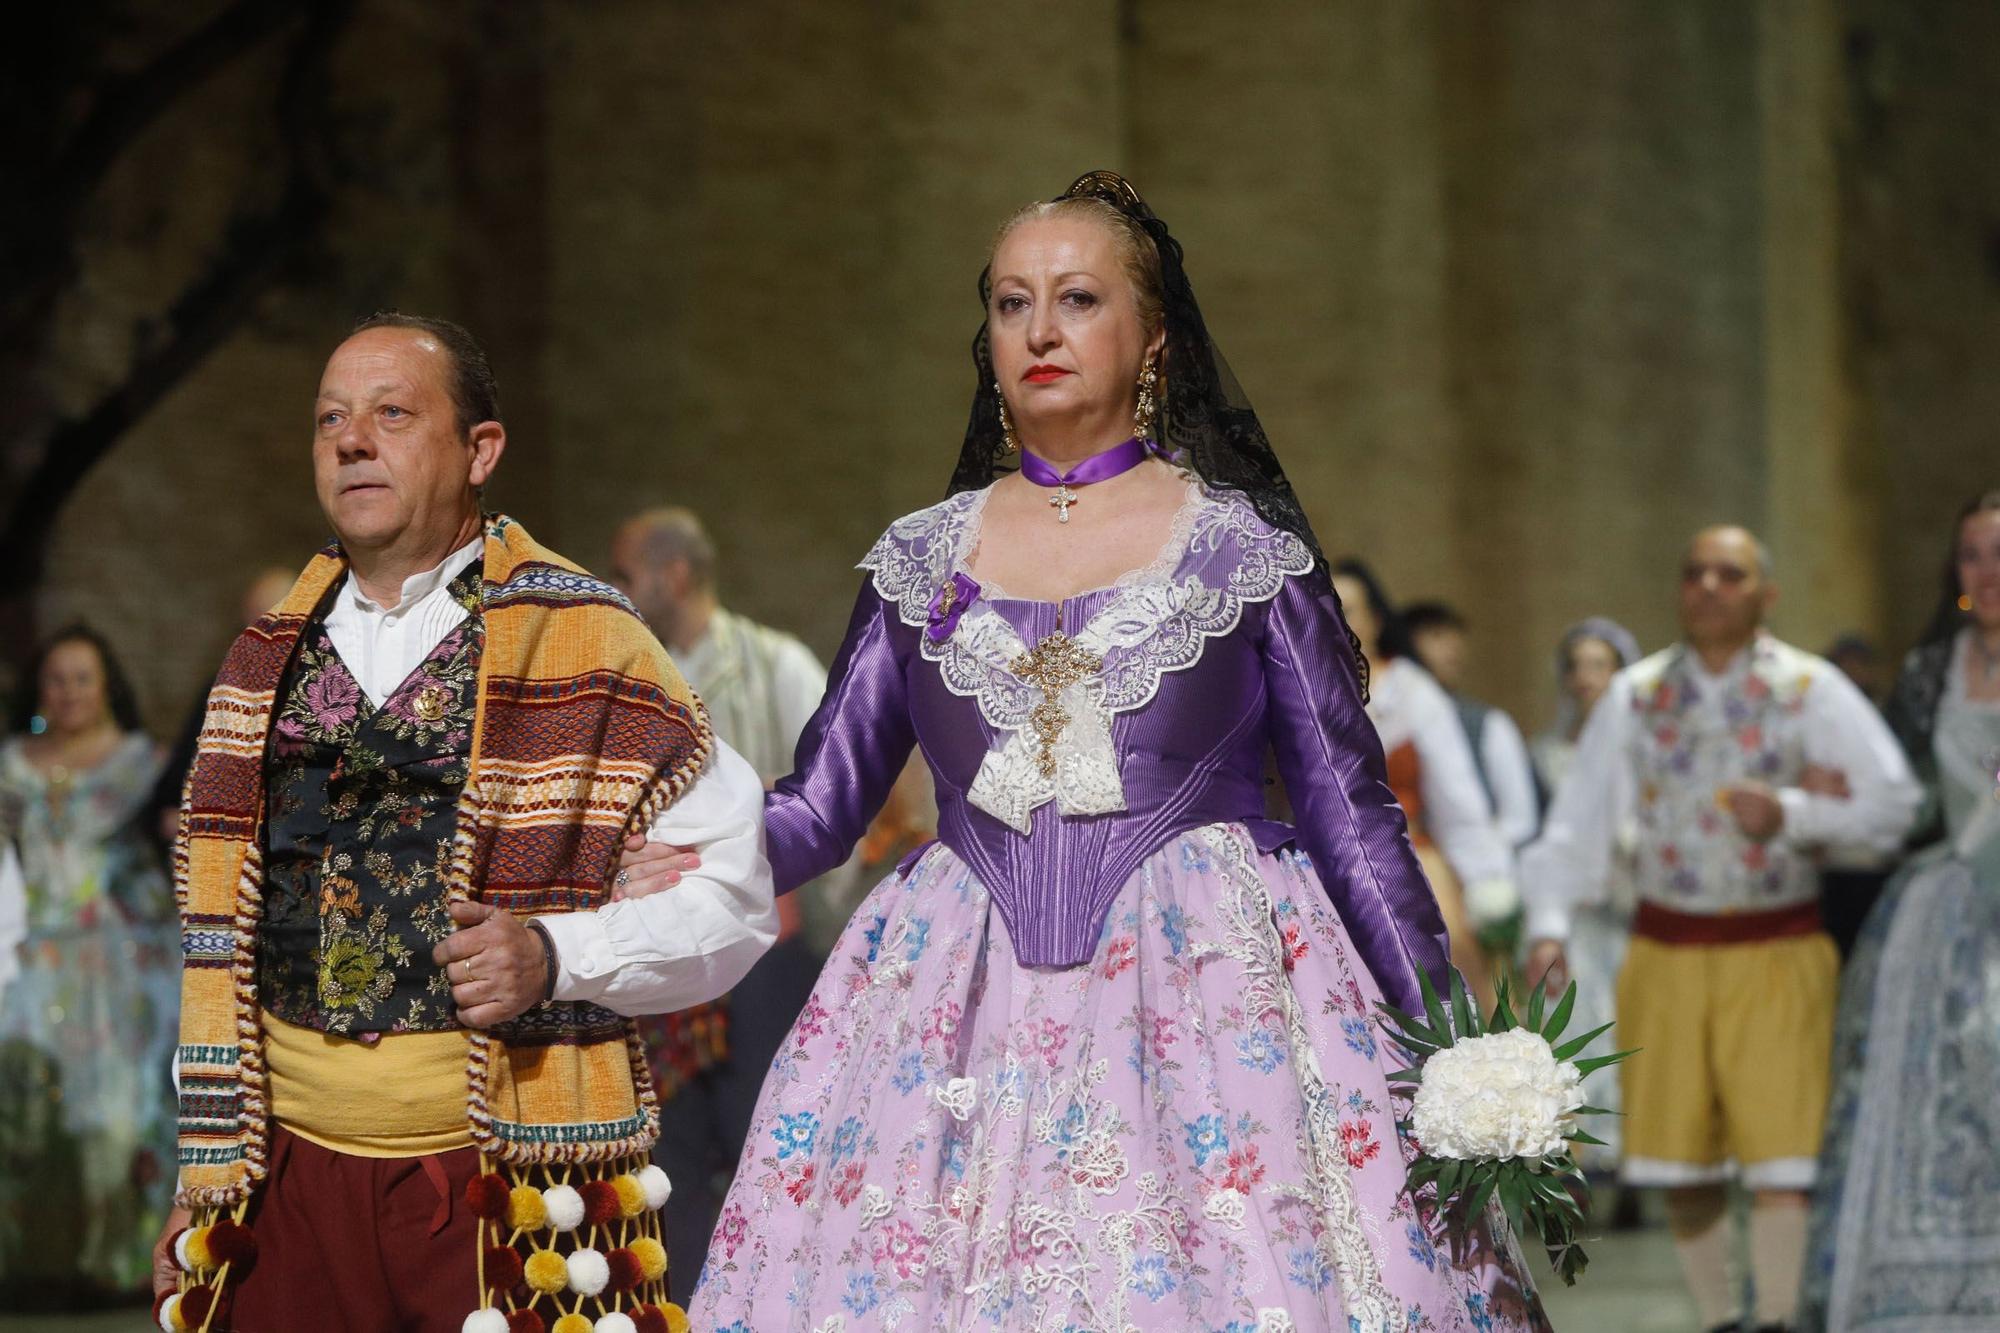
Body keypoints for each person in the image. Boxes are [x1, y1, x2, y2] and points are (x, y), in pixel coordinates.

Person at [623, 171, 1546, 1331]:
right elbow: (821, 804)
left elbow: (1349, 814)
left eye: (1076, 300)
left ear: (1150, 339)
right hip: (950, 996)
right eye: (1011, 304)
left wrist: (1448, 1047)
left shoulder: (1241, 552)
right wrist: (664, 855)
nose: (1040, 331)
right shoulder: (920, 562)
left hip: (1209, 996)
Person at [148, 312, 776, 1333]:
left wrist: (554, 953)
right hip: (287, 1176)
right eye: (330, 419)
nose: (352, 440)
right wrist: (198, 1165)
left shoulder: (590, 645)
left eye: (392, 413)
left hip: (504, 1176)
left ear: (480, 449)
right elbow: (216, 955)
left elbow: (732, 897)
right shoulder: (260, 662)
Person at [1524, 526, 1922, 1333]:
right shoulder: (1637, 694)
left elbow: (1895, 802)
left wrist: (1796, 812)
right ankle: (1721, 1318)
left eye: (1730, 574)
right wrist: (1548, 924)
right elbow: (1578, 822)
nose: (1709, 586)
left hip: (1778, 945)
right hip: (1668, 949)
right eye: (1695, 572)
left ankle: (1776, 1317)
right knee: (1680, 1157)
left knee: (1784, 1153)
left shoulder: (1808, 687)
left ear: (1765, 593)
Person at [608, 505, 852, 1307]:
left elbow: (840, 793)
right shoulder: (629, 681)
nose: (616, 591)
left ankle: (775, 1304)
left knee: (765, 1138)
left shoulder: (772, 662)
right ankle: (691, 1309)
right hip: (666, 956)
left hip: (761, 957)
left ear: (673, 575)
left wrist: (811, 913)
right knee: (672, 1148)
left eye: (625, 573)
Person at [1799, 491, 2000, 1331]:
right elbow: (1913, 801)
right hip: (1948, 908)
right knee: (1927, 1090)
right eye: (1973, 556)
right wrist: (1844, 795)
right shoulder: (1931, 670)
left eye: (1999, 554)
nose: (1988, 574)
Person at [0, 625, 175, 1304]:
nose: (67, 692)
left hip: (121, 962)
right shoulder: (10, 763)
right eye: (55, 678)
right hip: (28, 956)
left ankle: (123, 1264)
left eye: (82, 678)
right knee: (24, 1108)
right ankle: (28, 1265)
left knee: (120, 1109)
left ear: (107, 686)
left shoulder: (145, 764)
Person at [1332, 562, 1519, 1008]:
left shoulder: (1413, 692)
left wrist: (1487, 884)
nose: (1338, 621)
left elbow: (1459, 802)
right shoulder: (1300, 690)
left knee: (1442, 991)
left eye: (1351, 610)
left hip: (1410, 862)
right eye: (1326, 609)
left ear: (1376, 620)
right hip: (1327, 867)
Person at [1518, 618, 1642, 1181]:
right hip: (1577, 913)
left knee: (1633, 1024)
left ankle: (1639, 1151)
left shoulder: (1644, 747)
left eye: (1601, 665)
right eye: (1579, 666)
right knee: (1578, 1025)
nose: (1588, 678)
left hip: (1633, 910)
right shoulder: (1547, 754)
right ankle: (1583, 1153)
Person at [150, 567, 299, 847]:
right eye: (255, 622)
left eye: (276, 620)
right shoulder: (224, 688)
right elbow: (172, 793)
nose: (264, 635)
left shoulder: (319, 689)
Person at [1404, 600, 1541, 848]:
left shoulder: (1487, 723)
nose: (1453, 648)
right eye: (1437, 636)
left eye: (1456, 638)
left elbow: (1519, 819)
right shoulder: (1387, 718)